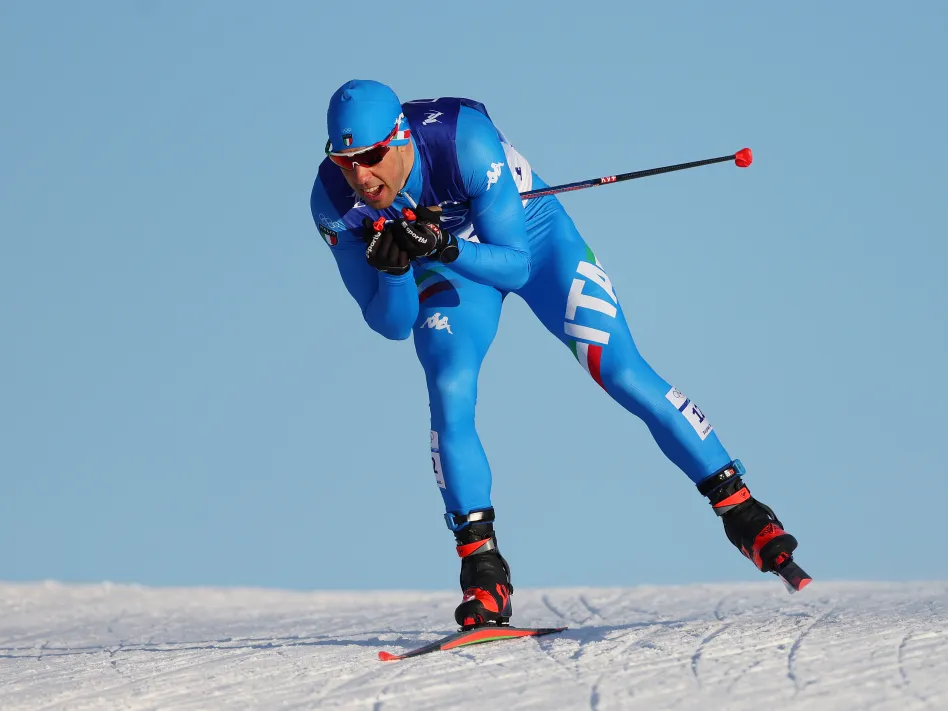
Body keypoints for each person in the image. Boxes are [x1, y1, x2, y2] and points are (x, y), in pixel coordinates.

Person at [309, 80, 800, 629]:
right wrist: (396, 271)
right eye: (345, 160)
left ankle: (743, 510)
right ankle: (483, 573)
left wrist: (446, 245)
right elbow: (390, 325)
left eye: (371, 157)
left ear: (399, 137)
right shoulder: (332, 201)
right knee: (449, 388)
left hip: (530, 240)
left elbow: (516, 263)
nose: (361, 176)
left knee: (617, 367)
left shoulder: (460, 141)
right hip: (445, 267)